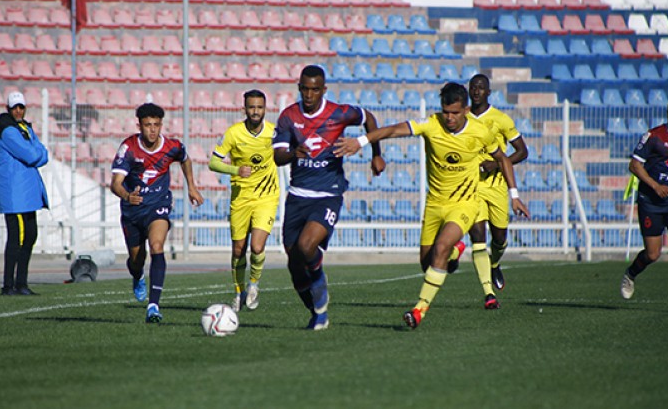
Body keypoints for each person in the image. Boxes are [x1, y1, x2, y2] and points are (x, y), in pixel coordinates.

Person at [334, 82, 529, 329]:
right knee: (429, 264)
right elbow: (394, 130)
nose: (449, 118)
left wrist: (514, 195)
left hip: (465, 204)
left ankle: (418, 311)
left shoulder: (481, 132)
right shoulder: (431, 124)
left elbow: (502, 158)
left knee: (441, 247)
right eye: (446, 112)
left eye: (455, 113)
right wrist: (361, 142)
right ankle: (456, 251)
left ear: (466, 110)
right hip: (435, 204)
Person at [273, 64, 385, 330]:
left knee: (307, 245)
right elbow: (277, 156)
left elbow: (368, 117)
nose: (309, 95)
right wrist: (292, 153)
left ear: (324, 90)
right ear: (299, 88)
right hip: (297, 196)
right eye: (305, 89)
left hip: (328, 194)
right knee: (294, 263)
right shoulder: (289, 116)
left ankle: (320, 281)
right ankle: (317, 311)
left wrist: (375, 152)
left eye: (315, 90)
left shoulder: (339, 113)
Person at [110, 103, 204, 323]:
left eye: (156, 125)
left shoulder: (172, 146)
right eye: (147, 125)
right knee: (136, 259)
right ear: (139, 125)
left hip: (158, 204)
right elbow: (115, 183)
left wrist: (191, 186)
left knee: (157, 246)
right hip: (132, 209)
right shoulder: (129, 148)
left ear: (161, 124)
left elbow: (185, 159)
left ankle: (153, 305)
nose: (152, 130)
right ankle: (137, 275)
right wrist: (127, 196)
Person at [209, 89, 279, 312]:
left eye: (259, 107)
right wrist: (235, 170)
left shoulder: (273, 133)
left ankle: (254, 285)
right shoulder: (234, 133)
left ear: (265, 109)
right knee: (238, 250)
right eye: (251, 107)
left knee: (257, 246)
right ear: (245, 109)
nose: (255, 111)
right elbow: (213, 162)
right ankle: (239, 293)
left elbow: (286, 152)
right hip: (240, 198)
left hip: (266, 196)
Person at [464, 74, 529, 297]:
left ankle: (494, 264)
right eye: (473, 87)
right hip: (473, 188)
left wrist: (497, 164)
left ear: (488, 92)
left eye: (481, 88)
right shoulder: (462, 117)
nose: (476, 91)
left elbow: (522, 151)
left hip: (497, 187)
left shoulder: (501, 119)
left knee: (499, 238)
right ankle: (488, 293)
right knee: (478, 237)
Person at [621, 95, 668, 313]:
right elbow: (634, 165)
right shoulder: (653, 136)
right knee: (652, 254)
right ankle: (631, 274)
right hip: (652, 202)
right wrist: (654, 185)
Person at [0, 91, 49, 296]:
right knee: (17, 239)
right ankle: (9, 285)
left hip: (27, 193)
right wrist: (38, 152)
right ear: (8, 109)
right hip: (16, 194)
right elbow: (33, 154)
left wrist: (38, 152)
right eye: (15, 107)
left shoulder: (25, 128)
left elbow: (41, 153)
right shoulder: (8, 131)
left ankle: (21, 283)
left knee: (29, 236)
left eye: (21, 107)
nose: (18, 111)